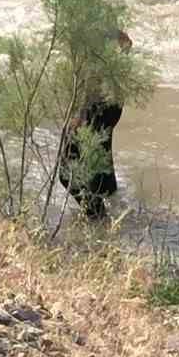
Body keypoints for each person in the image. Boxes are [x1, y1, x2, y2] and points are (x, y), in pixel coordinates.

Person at [59, 29, 132, 220]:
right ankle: (114, 211)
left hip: (99, 105)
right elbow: (126, 43)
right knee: (101, 167)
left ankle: (98, 221)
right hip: (107, 101)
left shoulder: (93, 23)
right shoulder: (96, 19)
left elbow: (125, 43)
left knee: (68, 174)